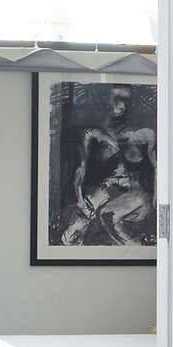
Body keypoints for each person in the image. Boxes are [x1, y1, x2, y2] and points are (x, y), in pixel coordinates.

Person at [59, 85, 156, 246]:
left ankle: (135, 252)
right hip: (103, 189)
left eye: (124, 100)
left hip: (132, 190)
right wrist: (80, 199)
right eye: (114, 99)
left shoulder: (143, 134)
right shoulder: (91, 134)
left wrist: (156, 198)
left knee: (109, 217)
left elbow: (157, 168)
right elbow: (80, 168)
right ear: (103, 101)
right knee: (69, 237)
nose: (119, 105)